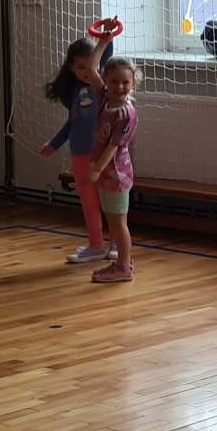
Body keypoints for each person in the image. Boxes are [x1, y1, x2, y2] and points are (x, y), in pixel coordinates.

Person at [40, 29, 116, 264]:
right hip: (81, 155)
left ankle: (116, 244)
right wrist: (54, 144)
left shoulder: (102, 88)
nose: (86, 71)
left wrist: (107, 37)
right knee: (89, 202)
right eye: (80, 67)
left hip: (105, 156)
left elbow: (106, 55)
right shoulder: (75, 92)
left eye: (90, 66)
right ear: (71, 68)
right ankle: (96, 245)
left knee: (111, 202)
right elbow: (72, 123)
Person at [86, 59, 139, 284]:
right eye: (114, 81)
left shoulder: (127, 113)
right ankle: (122, 262)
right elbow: (91, 68)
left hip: (116, 175)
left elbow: (113, 146)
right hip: (106, 175)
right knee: (113, 222)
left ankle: (124, 267)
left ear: (133, 83)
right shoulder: (105, 100)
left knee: (118, 224)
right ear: (105, 81)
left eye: (125, 82)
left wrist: (96, 169)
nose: (120, 86)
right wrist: (102, 43)